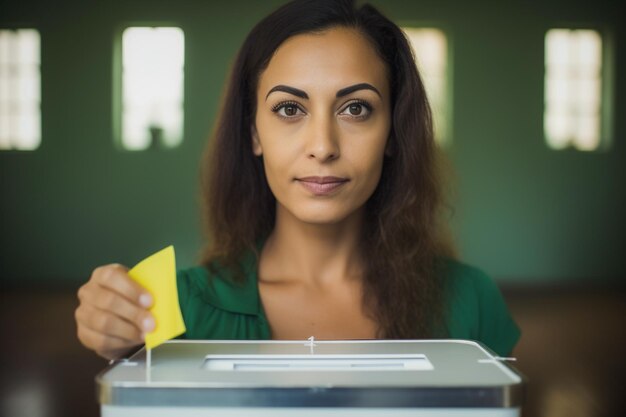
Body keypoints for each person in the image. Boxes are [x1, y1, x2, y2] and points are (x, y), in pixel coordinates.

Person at [75, 0, 520, 361]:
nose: (323, 146)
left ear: (392, 133)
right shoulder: (179, 305)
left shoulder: (470, 301)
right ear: (253, 132)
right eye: (290, 109)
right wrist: (121, 334)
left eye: (356, 108)